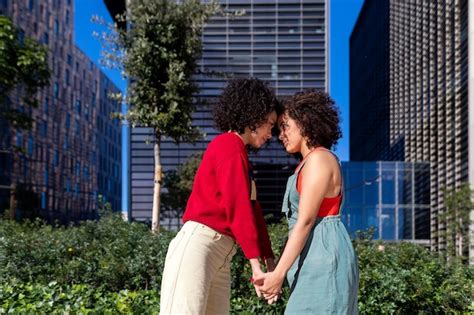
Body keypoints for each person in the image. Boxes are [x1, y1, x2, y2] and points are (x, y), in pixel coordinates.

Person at [159, 77, 278, 315]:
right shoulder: (228, 145)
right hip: (199, 246)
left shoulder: (240, 155)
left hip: (220, 253)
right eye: (270, 124)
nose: (270, 134)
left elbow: (252, 211)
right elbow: (238, 208)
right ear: (254, 117)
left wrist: (269, 260)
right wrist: (256, 266)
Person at [255, 90, 359, 314]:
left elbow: (305, 222)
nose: (280, 134)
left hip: (324, 256)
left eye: (285, 126)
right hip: (313, 255)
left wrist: (278, 274)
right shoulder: (308, 163)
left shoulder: (320, 159)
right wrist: (279, 270)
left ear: (305, 123)